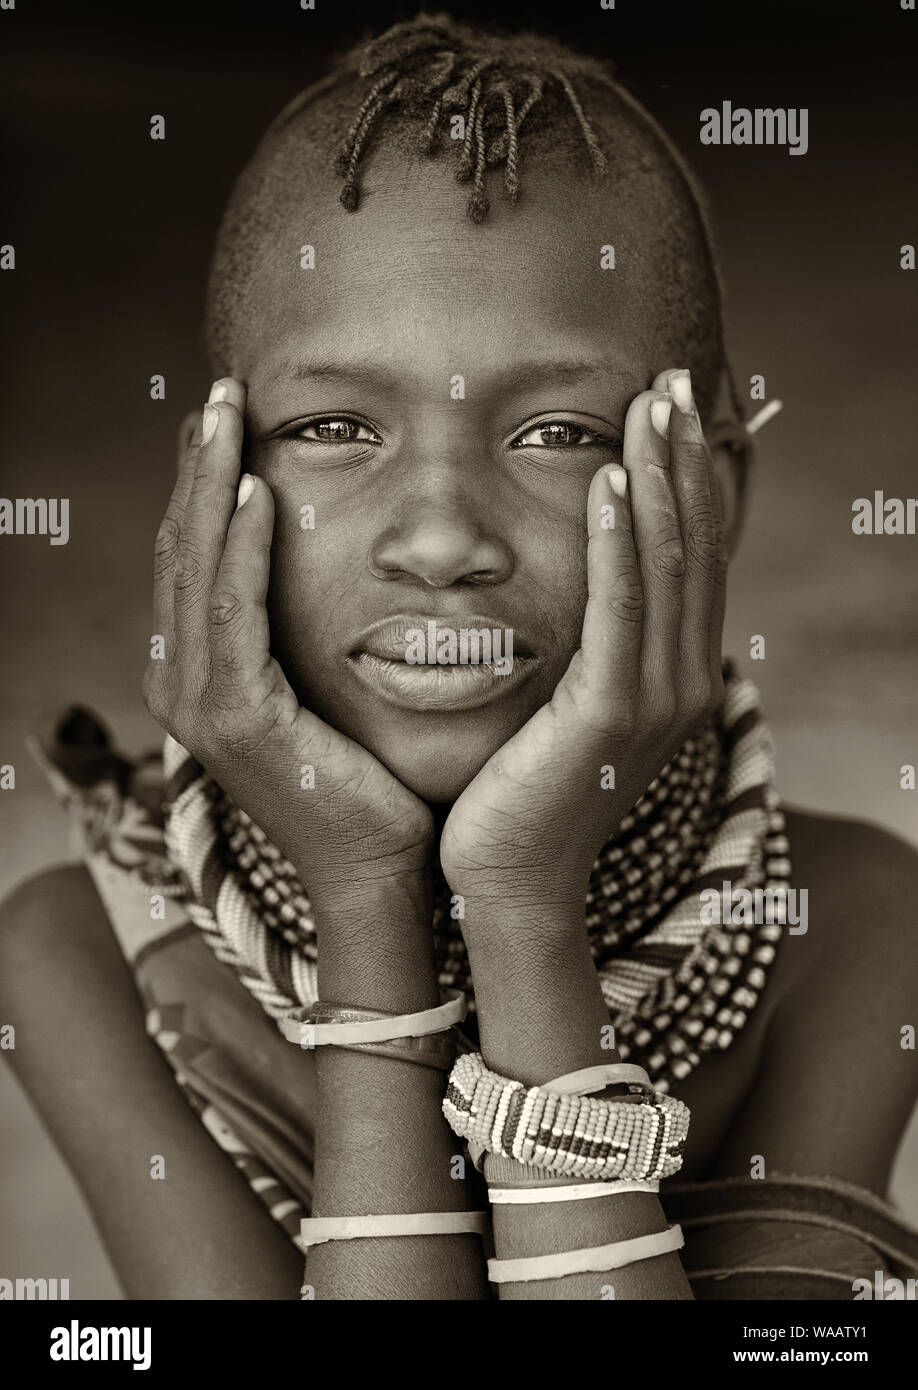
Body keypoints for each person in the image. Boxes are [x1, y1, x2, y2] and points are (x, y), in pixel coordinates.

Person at [2, 14, 917, 1301]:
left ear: (707, 497)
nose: (440, 538)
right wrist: (363, 894)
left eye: (554, 431)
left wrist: (526, 897)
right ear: (211, 498)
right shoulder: (89, 949)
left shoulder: (844, 923)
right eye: (332, 426)